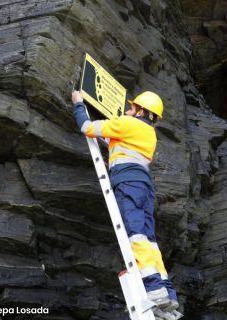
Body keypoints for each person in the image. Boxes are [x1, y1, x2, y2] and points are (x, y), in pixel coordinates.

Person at [71, 90, 178, 312]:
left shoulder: (127, 123)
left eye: (132, 107)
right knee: (150, 241)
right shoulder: (149, 134)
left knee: (135, 234)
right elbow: (115, 140)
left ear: (140, 111)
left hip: (128, 183)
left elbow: (87, 128)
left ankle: (155, 290)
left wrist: (79, 104)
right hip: (145, 187)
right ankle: (167, 291)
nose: (127, 110)